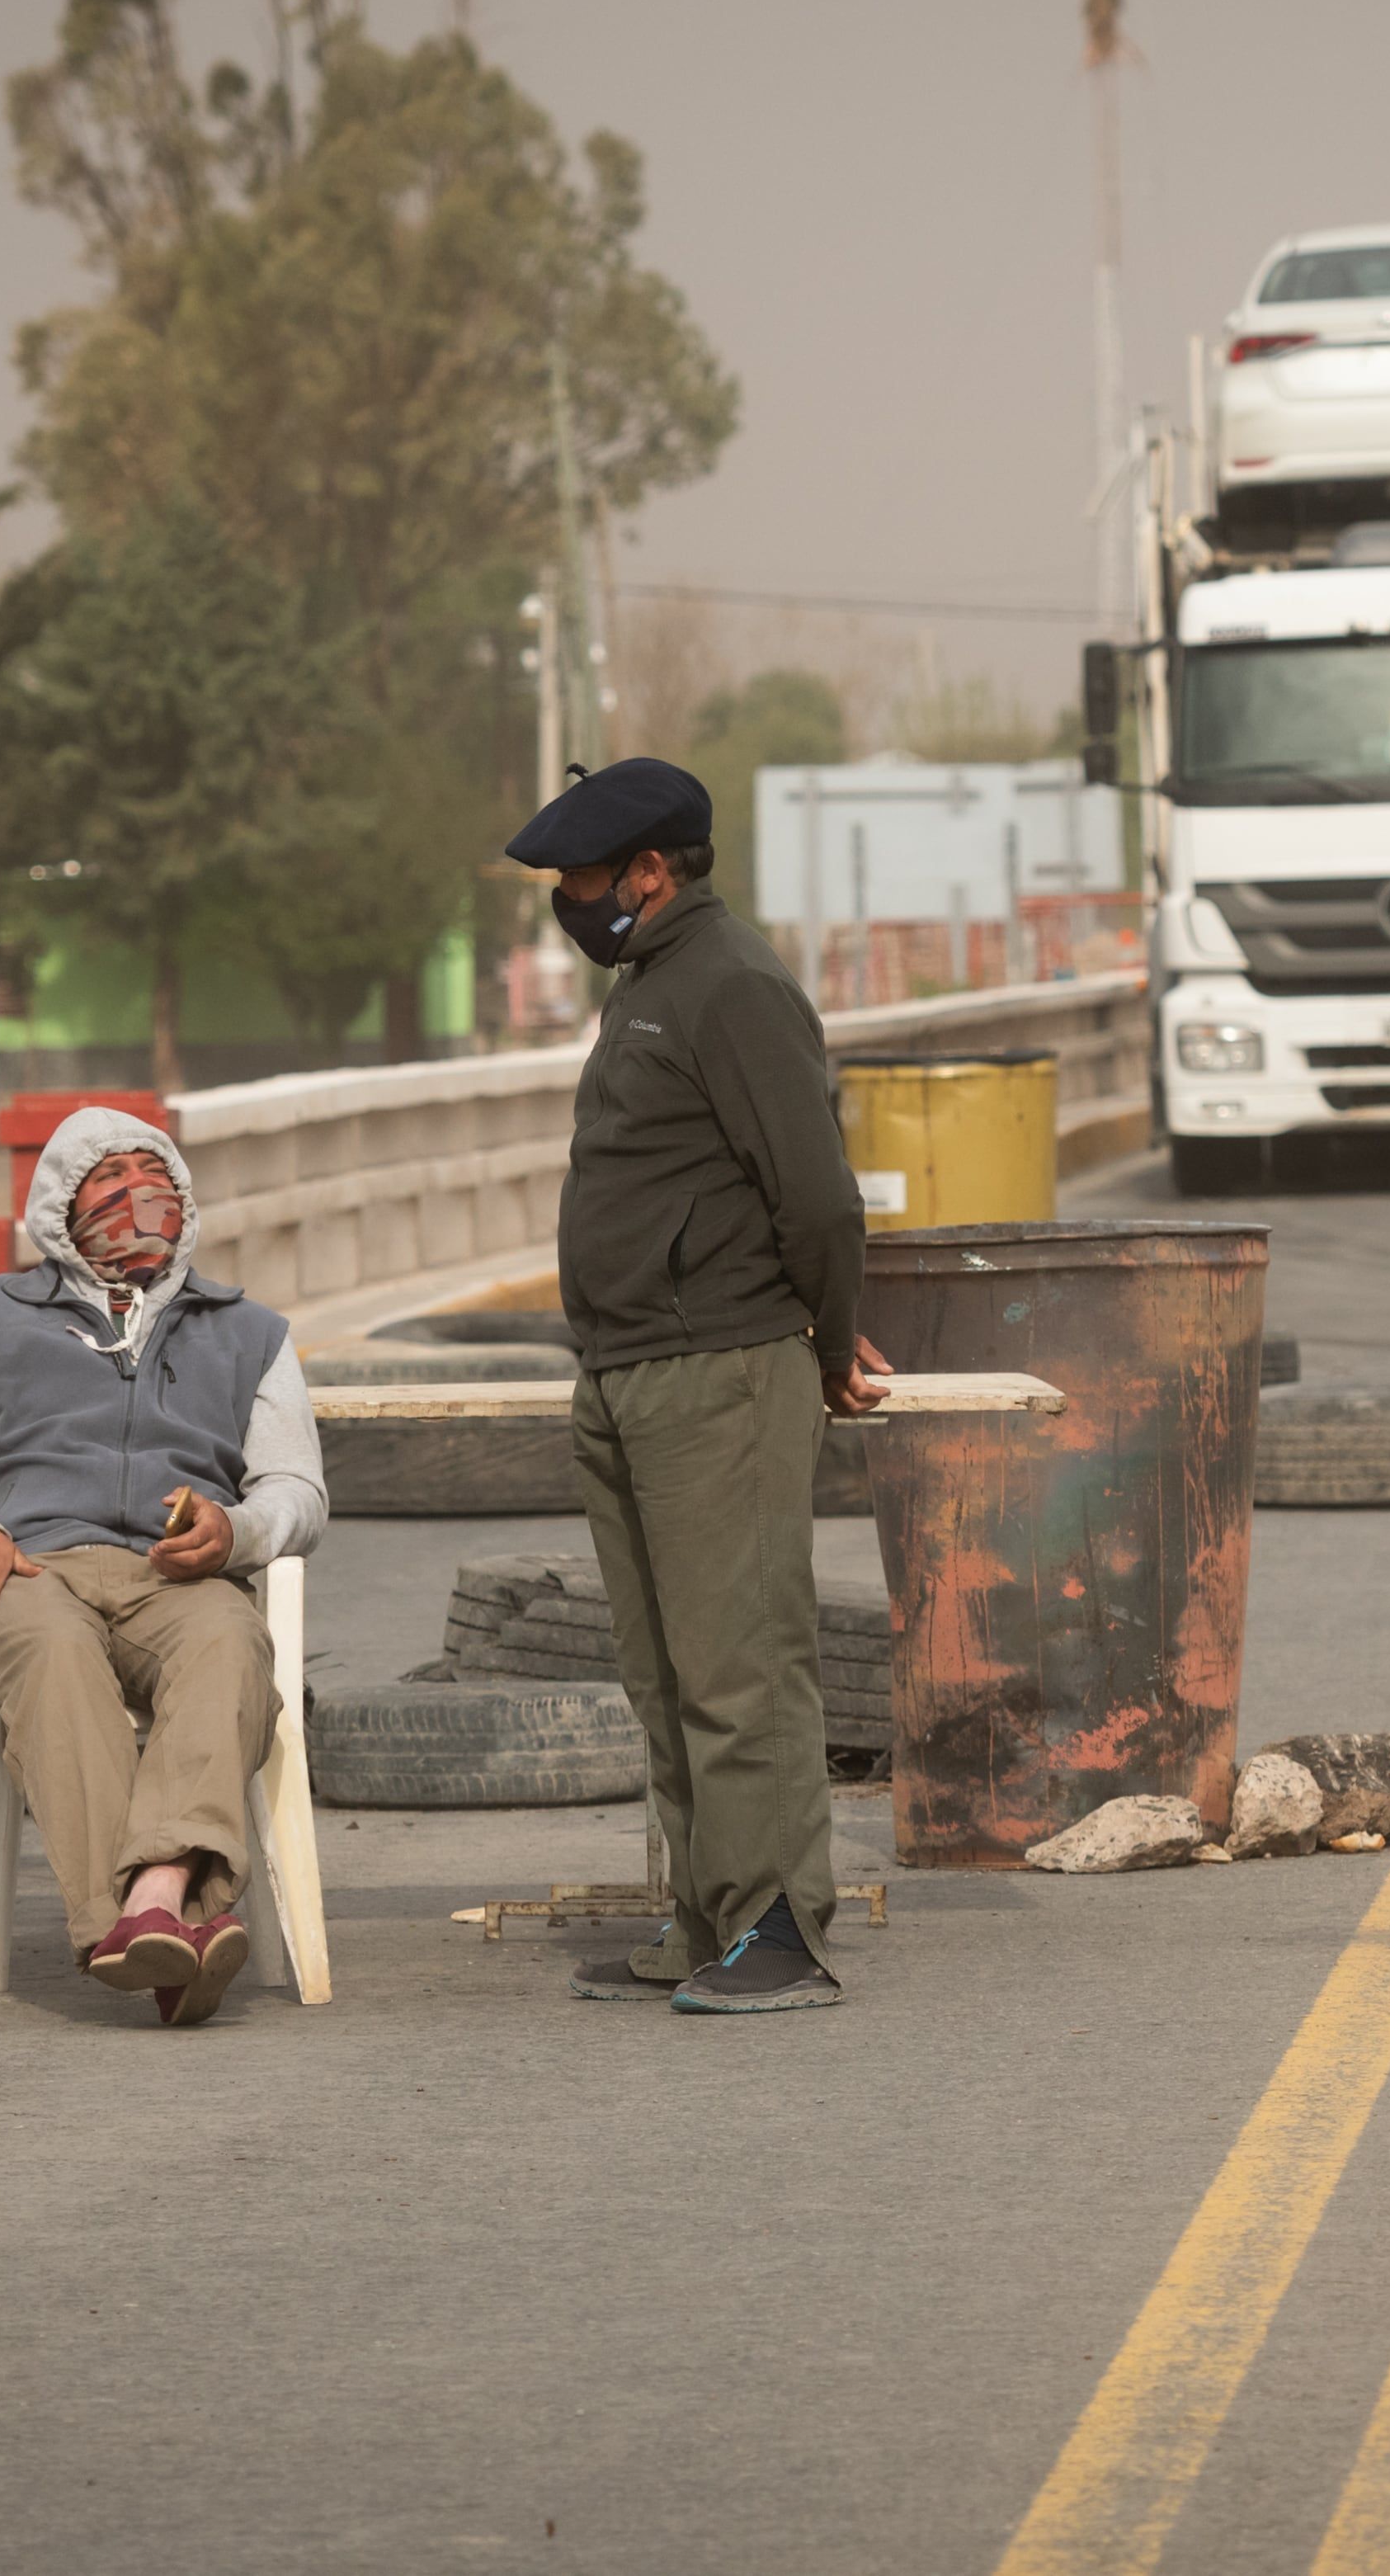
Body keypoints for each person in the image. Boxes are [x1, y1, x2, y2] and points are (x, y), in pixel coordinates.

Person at [510, 757, 884, 2016]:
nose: (568, 901)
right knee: (665, 1672)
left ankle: (780, 1926)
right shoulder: (647, 986)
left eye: (582, 879)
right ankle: (707, 1917)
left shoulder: (732, 985)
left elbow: (818, 1197)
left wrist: (829, 1345)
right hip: (627, 1368)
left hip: (718, 1367)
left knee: (741, 1664)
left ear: (651, 872)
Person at [0, 1111, 324, 2028]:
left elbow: (297, 1488)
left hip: (179, 1576)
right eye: (109, 1181)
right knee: (54, 1658)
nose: (138, 1197)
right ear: (61, 1208)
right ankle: (164, 1919)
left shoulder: (251, 1332)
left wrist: (235, 1530)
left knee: (232, 1646)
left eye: (154, 1176)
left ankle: (150, 1903)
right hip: (30, 1569)